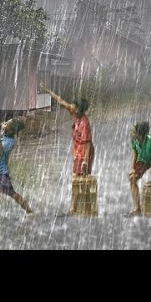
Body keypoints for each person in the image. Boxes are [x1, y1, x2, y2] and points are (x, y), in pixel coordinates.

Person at [41, 86, 94, 214]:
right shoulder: (74, 112)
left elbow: (87, 145)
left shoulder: (84, 124)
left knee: (79, 178)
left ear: (79, 111)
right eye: (72, 106)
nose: (71, 107)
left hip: (85, 153)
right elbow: (61, 101)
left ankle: (79, 208)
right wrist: (48, 91)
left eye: (74, 107)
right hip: (78, 152)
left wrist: (85, 162)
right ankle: (83, 207)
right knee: (78, 179)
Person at [128, 121, 151, 216]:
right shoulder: (134, 139)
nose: (135, 136)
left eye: (137, 134)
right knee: (132, 178)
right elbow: (134, 153)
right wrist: (132, 168)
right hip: (143, 161)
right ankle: (137, 209)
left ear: (142, 135)